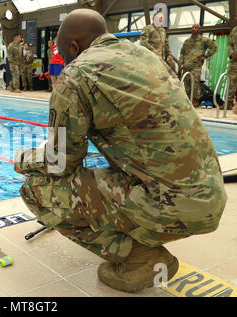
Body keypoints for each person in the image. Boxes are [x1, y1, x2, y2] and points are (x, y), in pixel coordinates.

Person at [14, 9, 227, 293]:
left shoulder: (76, 74)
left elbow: (60, 162)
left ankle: (139, 257)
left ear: (75, 46)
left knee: (35, 187)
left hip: (171, 205)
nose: (64, 59)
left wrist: (23, 159)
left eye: (64, 53)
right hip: (211, 196)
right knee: (108, 174)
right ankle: (141, 235)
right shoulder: (147, 56)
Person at [179, 24, 218, 107]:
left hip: (196, 66)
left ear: (199, 30)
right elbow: (182, 53)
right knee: (187, 85)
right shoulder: (187, 41)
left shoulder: (204, 40)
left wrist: (205, 56)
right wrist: (180, 64)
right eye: (192, 27)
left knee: (195, 84)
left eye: (196, 27)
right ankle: (188, 101)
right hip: (186, 66)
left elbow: (214, 47)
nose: (193, 29)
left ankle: (195, 101)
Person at [227, 20, 237, 110]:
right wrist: (231, 53)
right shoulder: (234, 30)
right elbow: (229, 44)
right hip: (234, 62)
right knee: (231, 82)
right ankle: (229, 103)